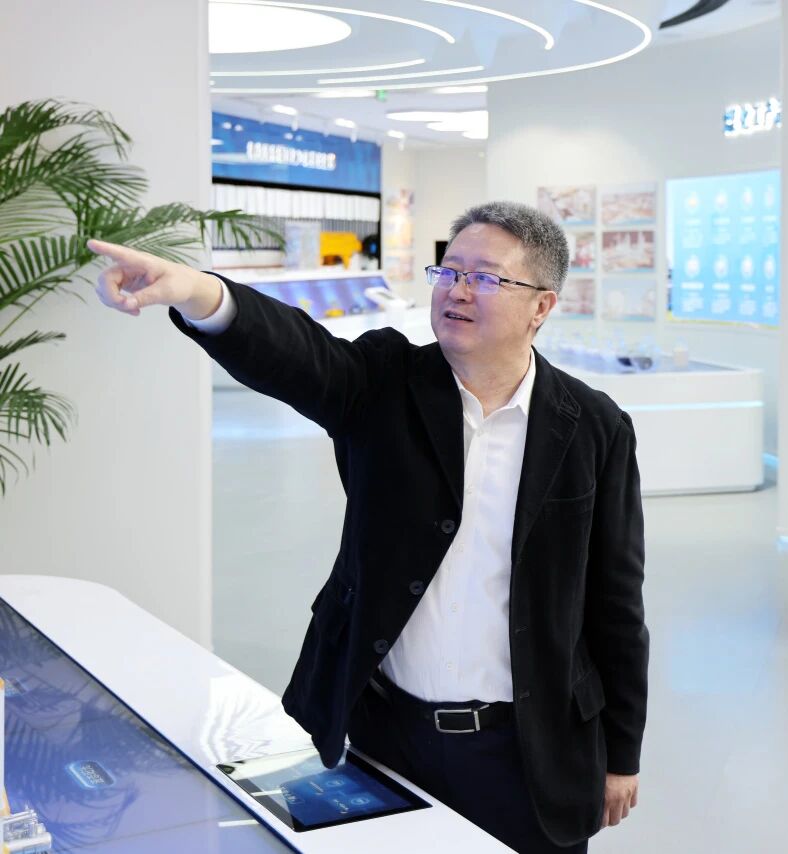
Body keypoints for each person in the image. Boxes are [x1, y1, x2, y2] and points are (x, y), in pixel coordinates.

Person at [87, 200, 649, 854]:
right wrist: (198, 292)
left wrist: (621, 755)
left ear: (541, 307)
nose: (457, 290)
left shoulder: (595, 427)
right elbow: (298, 353)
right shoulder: (385, 381)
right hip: (388, 736)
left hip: (530, 750)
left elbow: (616, 603)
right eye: (449, 271)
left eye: (485, 278)